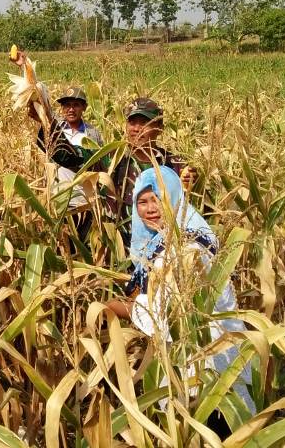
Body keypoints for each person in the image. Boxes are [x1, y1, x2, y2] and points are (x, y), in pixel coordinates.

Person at [107, 166, 255, 438]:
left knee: (215, 431)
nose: (151, 209)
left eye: (158, 199)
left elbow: (163, 314)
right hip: (204, 359)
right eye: (143, 201)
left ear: (175, 198)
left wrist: (115, 308)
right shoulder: (177, 235)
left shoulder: (185, 247)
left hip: (207, 366)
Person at [39, 96, 196, 245]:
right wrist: (43, 115)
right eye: (132, 122)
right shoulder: (111, 158)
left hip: (161, 250)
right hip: (119, 250)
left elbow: (194, 203)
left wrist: (191, 179)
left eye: (144, 123)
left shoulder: (173, 164)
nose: (136, 129)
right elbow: (66, 155)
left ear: (160, 128)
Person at [31, 87, 104, 242]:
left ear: (84, 107)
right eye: (67, 105)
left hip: (85, 202)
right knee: (62, 247)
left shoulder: (92, 134)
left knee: (84, 246)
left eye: (76, 105)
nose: (71, 109)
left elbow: (98, 164)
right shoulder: (53, 129)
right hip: (59, 201)